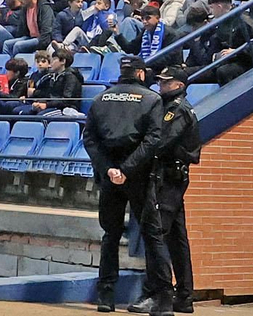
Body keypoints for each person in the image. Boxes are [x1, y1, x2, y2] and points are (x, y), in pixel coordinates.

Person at [82, 55, 170, 315]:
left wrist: (109, 169)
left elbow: (90, 139)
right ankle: (162, 298)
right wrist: (127, 169)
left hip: (109, 175)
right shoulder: (152, 99)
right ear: (141, 74)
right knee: (153, 235)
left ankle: (105, 297)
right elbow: (153, 139)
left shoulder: (101, 99)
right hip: (139, 174)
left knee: (110, 236)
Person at [142, 65, 202, 314]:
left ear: (179, 85)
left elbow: (163, 142)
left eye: (166, 83)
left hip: (170, 177)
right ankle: (184, 296)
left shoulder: (177, 110)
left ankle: (156, 293)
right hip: (170, 177)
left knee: (157, 235)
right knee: (176, 239)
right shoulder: (170, 106)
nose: (160, 86)